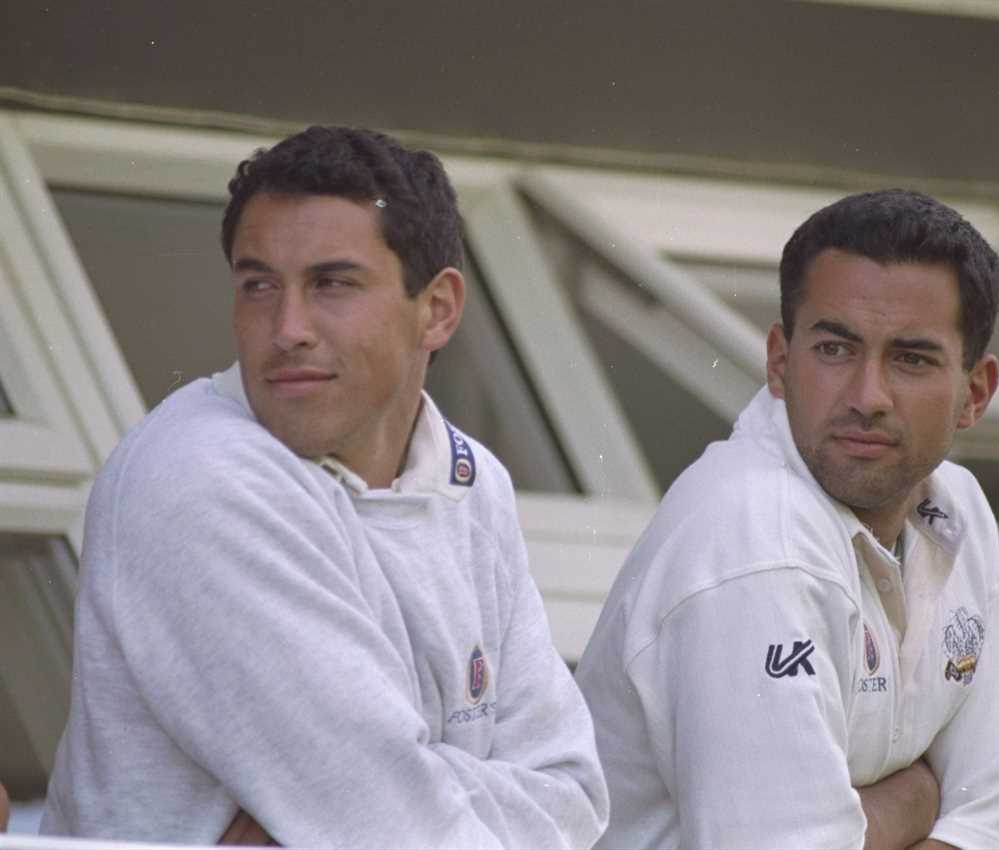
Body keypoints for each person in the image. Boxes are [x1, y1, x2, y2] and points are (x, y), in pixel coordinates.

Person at [40, 126, 608, 848]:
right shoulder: (199, 474)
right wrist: (406, 794)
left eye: (331, 283)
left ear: (437, 310)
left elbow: (575, 795)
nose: (288, 328)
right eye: (258, 285)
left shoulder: (475, 481)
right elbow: (387, 826)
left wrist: (392, 789)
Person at [575, 189, 999, 849]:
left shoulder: (959, 513)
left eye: (911, 359)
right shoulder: (752, 538)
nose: (867, 397)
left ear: (976, 392)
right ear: (779, 362)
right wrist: (915, 800)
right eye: (835, 350)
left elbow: (994, 827)